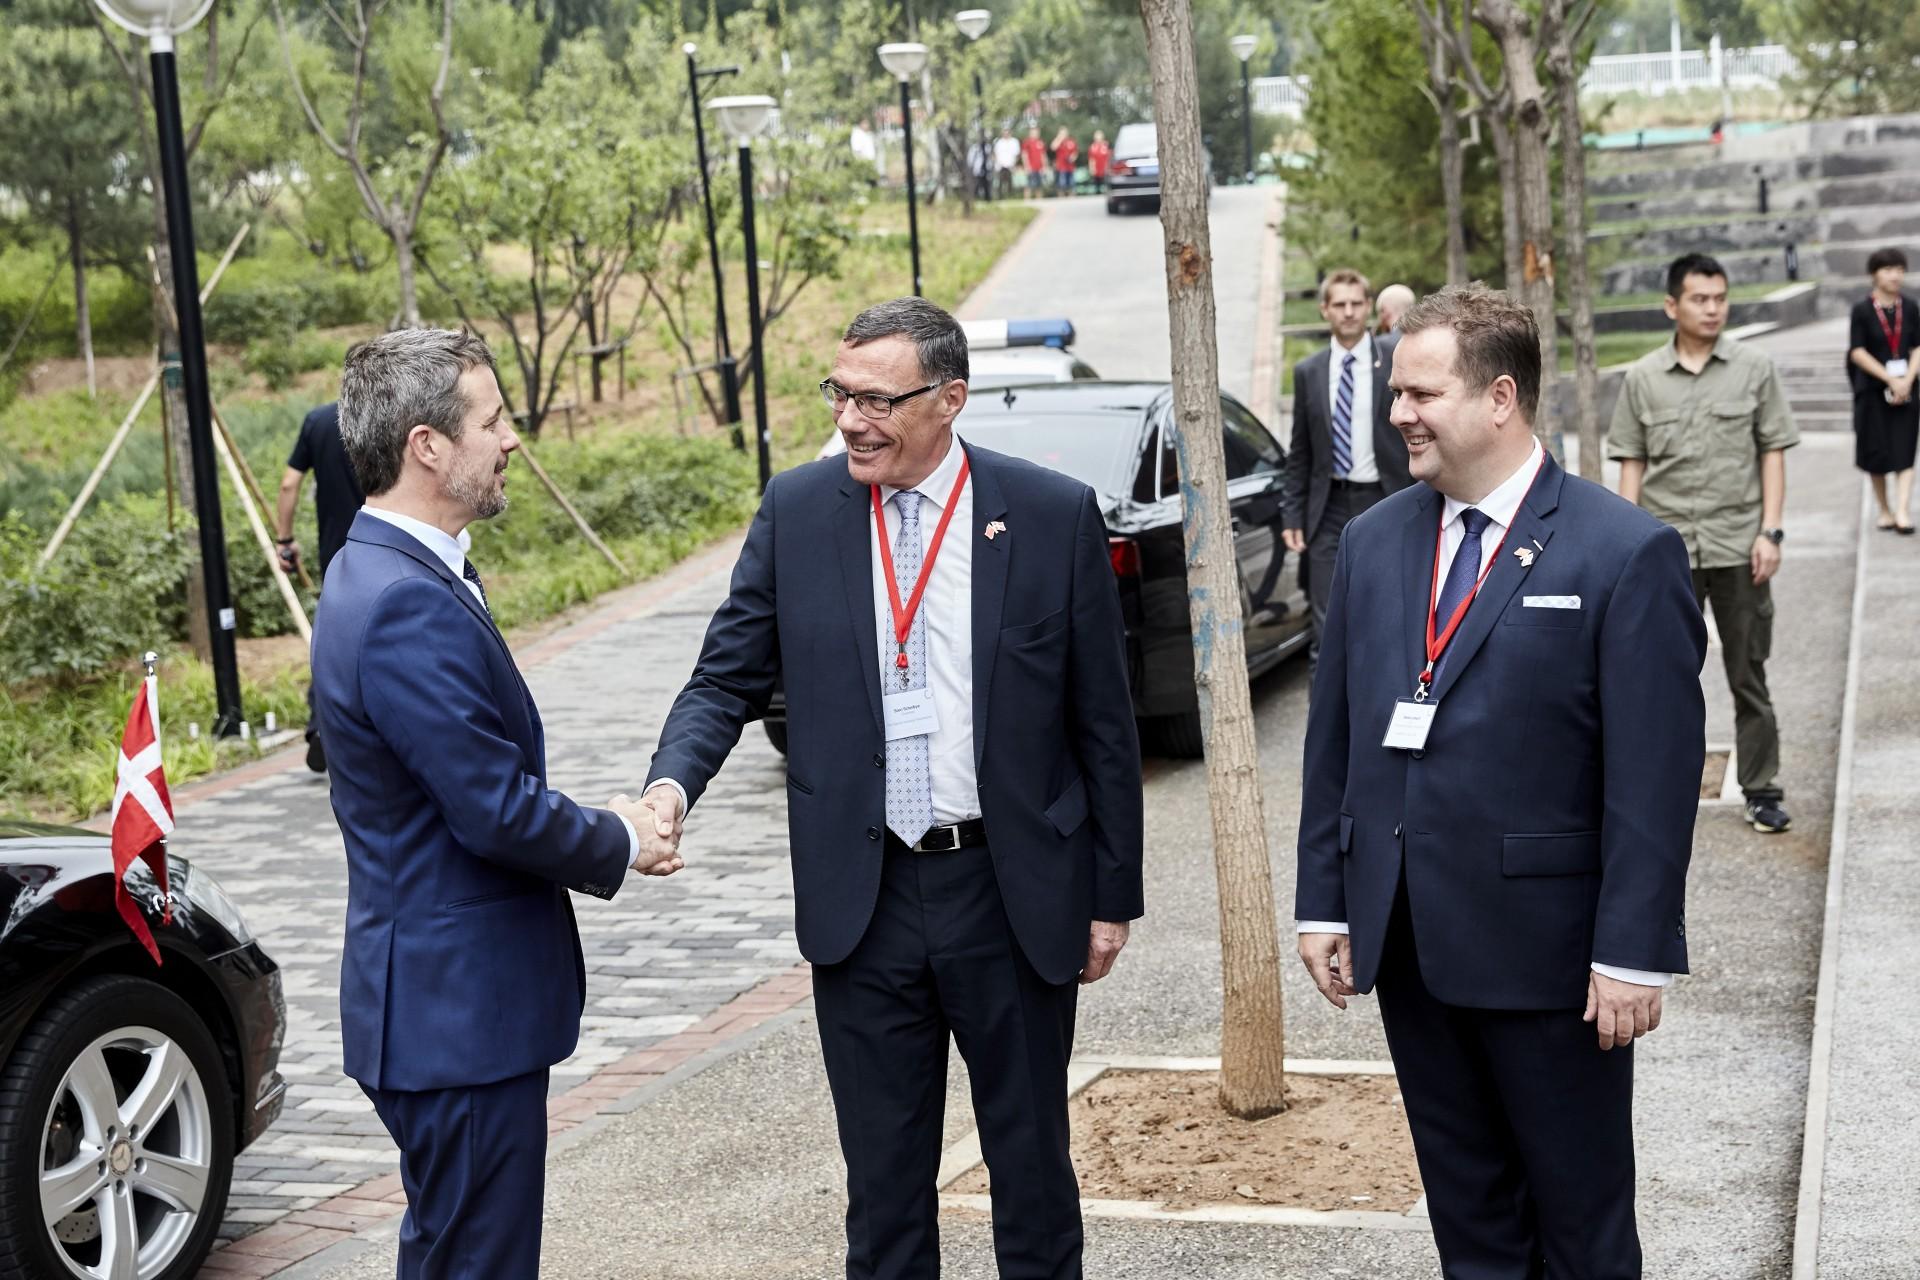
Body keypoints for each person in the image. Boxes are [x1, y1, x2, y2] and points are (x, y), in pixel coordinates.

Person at [640, 297, 1143, 1279]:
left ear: (949, 398)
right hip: (863, 903)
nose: (851, 420)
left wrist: (1111, 894)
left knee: (1034, 1180)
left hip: (1010, 890)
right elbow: (724, 674)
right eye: (840, 393)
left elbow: (1104, 724)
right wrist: (670, 784)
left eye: (877, 399)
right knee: (883, 1197)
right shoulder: (797, 512)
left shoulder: (1047, 515)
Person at [1297, 283, 1707, 1280]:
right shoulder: (1377, 541)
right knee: (1470, 1223)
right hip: (1412, 947)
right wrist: (1325, 900)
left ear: (1500, 398)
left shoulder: (1624, 551)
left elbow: (1653, 774)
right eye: (1397, 392)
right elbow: (1338, 733)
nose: (1399, 413)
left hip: (1556, 966)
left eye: (1421, 392)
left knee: (1581, 1229)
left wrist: (1635, 950)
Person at [310, 328, 680, 1280]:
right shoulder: (402, 598)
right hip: (456, 1018)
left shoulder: (384, 568)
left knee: (453, 1254)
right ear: (428, 445)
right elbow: (490, 809)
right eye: (492, 419)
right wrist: (621, 835)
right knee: (479, 1262)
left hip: (442, 1012)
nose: (511, 438)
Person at [1610, 252, 1801, 835]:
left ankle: (1762, 788)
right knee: (1660, 677)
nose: (1713, 308)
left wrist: (1770, 530)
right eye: (1700, 299)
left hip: (1740, 546)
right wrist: (1627, 549)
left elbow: (1772, 450)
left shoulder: (1754, 367)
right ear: (1673, 306)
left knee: (1749, 673)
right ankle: (1655, 791)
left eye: (1720, 298)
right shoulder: (1642, 377)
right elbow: (1632, 466)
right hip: (1668, 552)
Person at [1282, 268, 1414, 668]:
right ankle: (1323, 728)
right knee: (1326, 626)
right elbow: (1300, 450)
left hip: (1386, 499)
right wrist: (1293, 512)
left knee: (1392, 614)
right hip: (1329, 509)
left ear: (1367, 306)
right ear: (1325, 310)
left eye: (1357, 303)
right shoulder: (1309, 372)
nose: (1350, 312)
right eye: (1340, 304)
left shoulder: (1395, 358)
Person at [276, 400, 365, 773]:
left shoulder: (318, 421)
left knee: (334, 642)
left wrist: (285, 540)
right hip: (388, 544)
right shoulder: (385, 411)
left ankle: (321, 724)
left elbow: (288, 483)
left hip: (337, 555)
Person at [1847, 246, 1919, 532]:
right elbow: (1857, 352)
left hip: (1907, 391)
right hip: (1873, 391)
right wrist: (1890, 380)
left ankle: (1902, 511)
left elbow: (1917, 347)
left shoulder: (1910, 307)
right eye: (1889, 269)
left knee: (1905, 449)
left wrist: (1907, 380)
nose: (1895, 275)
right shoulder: (1862, 310)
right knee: (1875, 452)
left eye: (1900, 269)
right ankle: (1885, 509)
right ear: (1874, 274)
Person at [992, 127, 1021, 200]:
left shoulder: (1014, 141)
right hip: (1000, 165)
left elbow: (1017, 154)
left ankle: (1010, 197)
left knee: (1010, 183)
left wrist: (1014, 164)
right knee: (1000, 182)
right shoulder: (999, 142)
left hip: (1010, 165)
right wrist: (996, 164)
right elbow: (995, 154)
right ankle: (1000, 198)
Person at [1051, 126, 1078, 197]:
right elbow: (1053, 147)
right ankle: (1061, 196)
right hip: (1061, 166)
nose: (1063, 134)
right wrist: (1059, 138)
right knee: (1061, 183)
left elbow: (1075, 152)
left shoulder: (1071, 141)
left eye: (1064, 133)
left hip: (1070, 166)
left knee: (1071, 183)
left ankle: (1071, 196)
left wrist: (1073, 157)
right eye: (1061, 133)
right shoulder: (1058, 141)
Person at [1021, 126, 1047, 200]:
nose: (1036, 133)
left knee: (1039, 185)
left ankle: (1039, 201)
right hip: (1031, 167)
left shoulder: (1040, 142)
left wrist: (1044, 166)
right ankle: (1027, 200)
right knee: (1029, 185)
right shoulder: (1027, 142)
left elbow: (1043, 155)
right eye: (1034, 132)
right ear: (1030, 133)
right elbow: (1024, 155)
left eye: (1037, 132)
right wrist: (1026, 166)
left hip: (1039, 168)